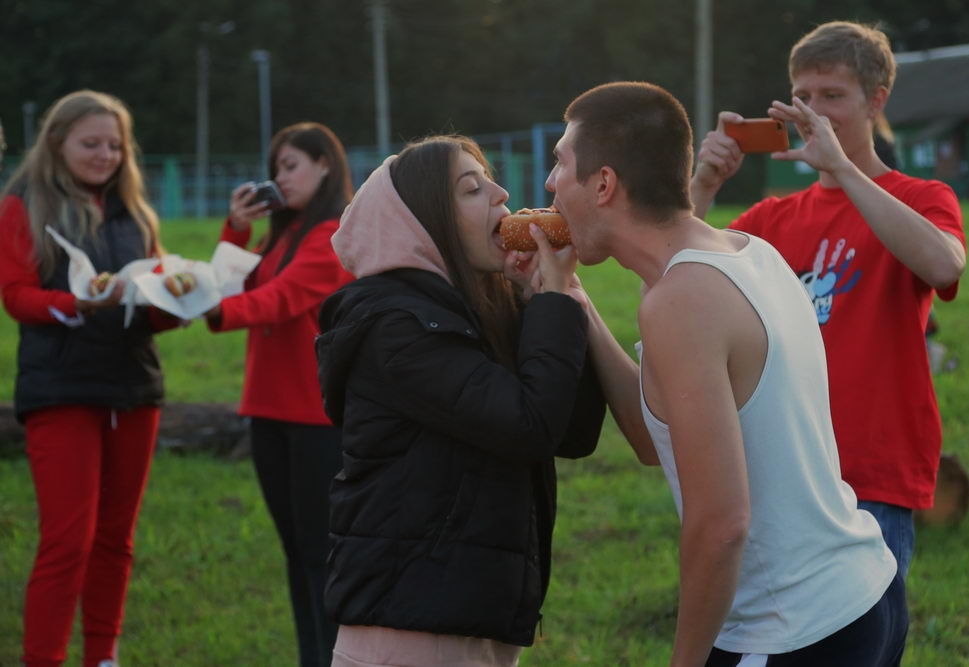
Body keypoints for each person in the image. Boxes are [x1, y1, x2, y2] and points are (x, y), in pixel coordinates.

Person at [545, 80, 907, 666]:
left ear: (604, 184)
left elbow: (721, 524)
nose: (548, 185)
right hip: (864, 593)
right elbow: (650, 436)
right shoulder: (745, 252)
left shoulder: (682, 300)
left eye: (560, 164)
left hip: (791, 629)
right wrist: (573, 298)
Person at [315, 135, 606, 666]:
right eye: (472, 189)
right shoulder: (395, 326)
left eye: (491, 180)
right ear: (425, 223)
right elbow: (530, 426)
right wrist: (554, 302)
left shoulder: (472, 311)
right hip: (409, 635)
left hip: (473, 622)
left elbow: (573, 433)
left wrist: (536, 300)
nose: (501, 194)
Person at [691, 21, 967, 579]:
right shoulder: (773, 217)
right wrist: (702, 186)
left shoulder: (921, 197)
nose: (813, 112)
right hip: (782, 468)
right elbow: (681, 276)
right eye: (803, 98)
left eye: (832, 97)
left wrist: (841, 167)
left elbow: (943, 265)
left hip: (873, 471)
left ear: (877, 101)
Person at [0, 90, 178, 667]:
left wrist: (180, 298)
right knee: (66, 541)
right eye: (91, 143)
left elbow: (154, 303)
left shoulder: (137, 212)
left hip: (134, 387)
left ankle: (103, 656)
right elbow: (16, 295)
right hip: (61, 390)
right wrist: (76, 303)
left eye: (115, 145)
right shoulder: (22, 205)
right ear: (56, 142)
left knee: (115, 540)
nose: (106, 155)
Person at [202, 122, 355, 667]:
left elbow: (282, 298)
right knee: (297, 552)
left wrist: (215, 310)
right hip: (266, 408)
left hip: (314, 415)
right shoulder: (283, 233)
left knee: (322, 555)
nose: (280, 179)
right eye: (277, 168)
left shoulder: (334, 233)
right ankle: (312, 656)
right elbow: (232, 284)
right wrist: (235, 232)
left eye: (290, 166)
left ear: (324, 166)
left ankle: (335, 658)